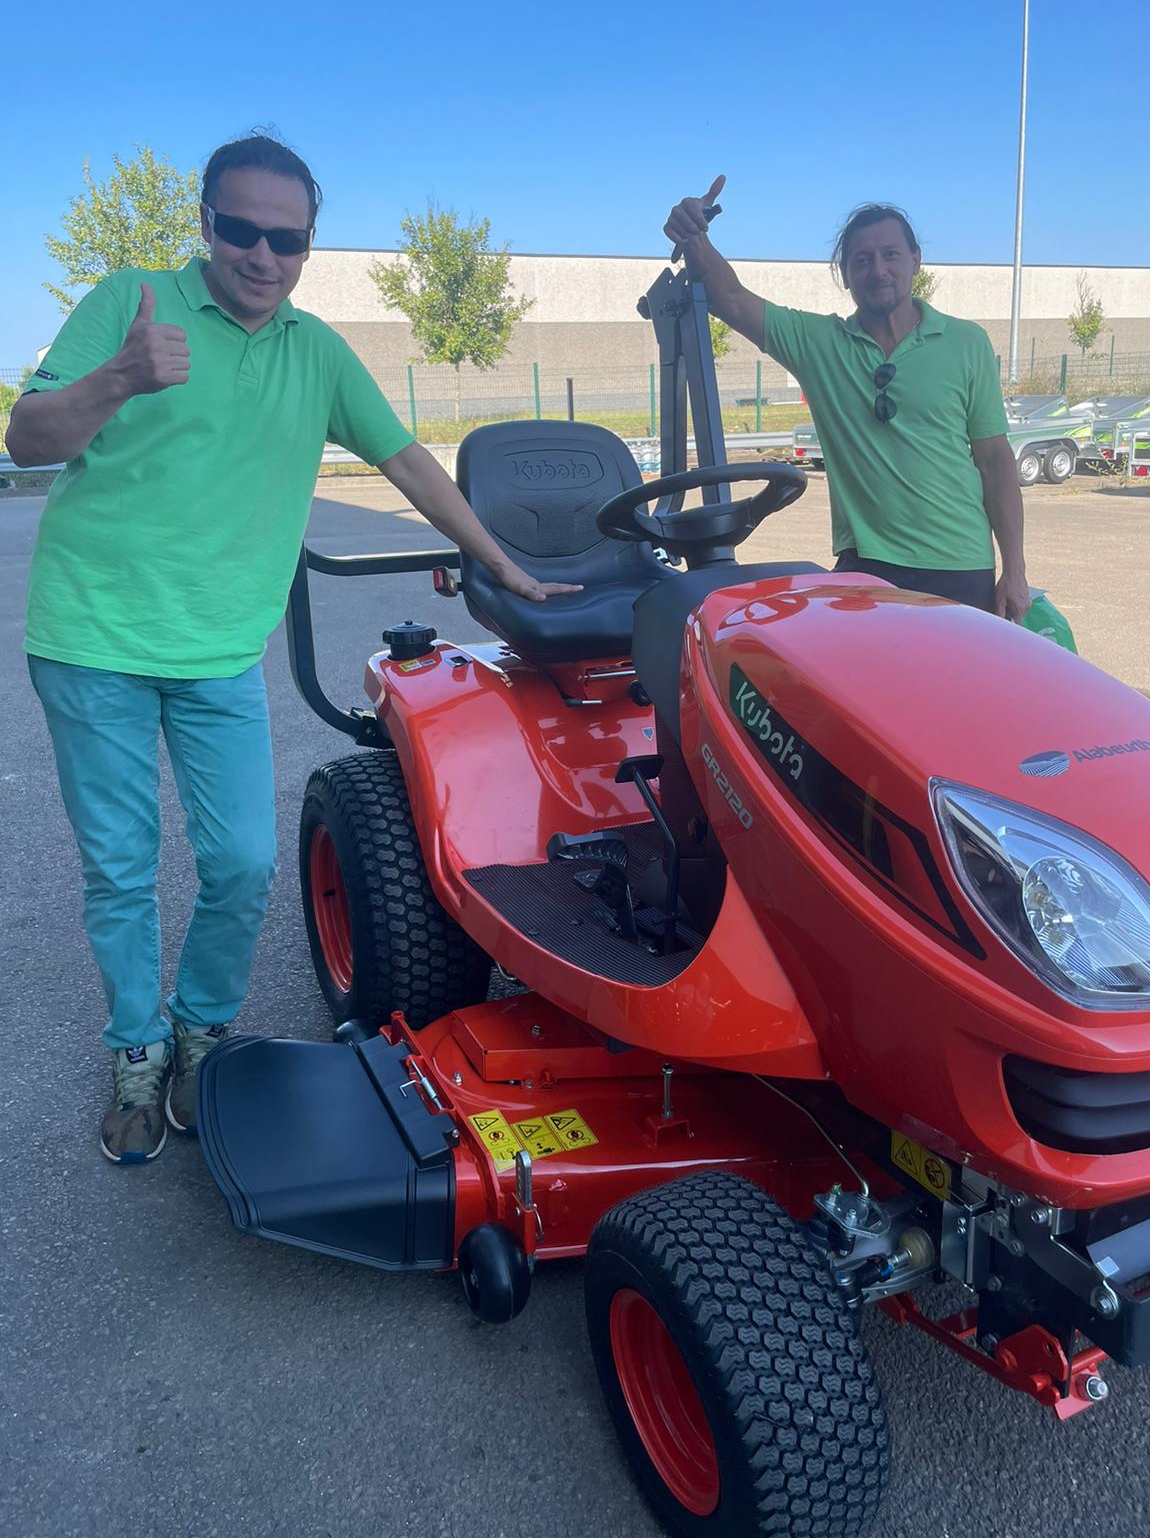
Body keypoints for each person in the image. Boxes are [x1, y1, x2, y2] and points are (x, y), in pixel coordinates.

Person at [8, 134, 579, 1166]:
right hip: (92, 636)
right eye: (240, 229)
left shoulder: (314, 350)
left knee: (241, 860)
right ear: (205, 221)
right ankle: (138, 1048)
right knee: (121, 865)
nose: (261, 255)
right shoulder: (131, 299)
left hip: (219, 649)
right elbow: (28, 438)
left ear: (308, 243)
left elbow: (406, 458)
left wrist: (506, 560)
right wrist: (123, 378)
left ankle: (201, 1029)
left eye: (287, 238)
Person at [664, 177, 1031, 620]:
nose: (878, 270)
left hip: (961, 568)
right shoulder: (820, 344)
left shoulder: (966, 343)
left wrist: (1015, 570)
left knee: (960, 690)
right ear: (845, 274)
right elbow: (732, 298)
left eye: (890, 255)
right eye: (862, 260)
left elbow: (994, 459)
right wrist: (693, 235)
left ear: (916, 260)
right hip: (867, 572)